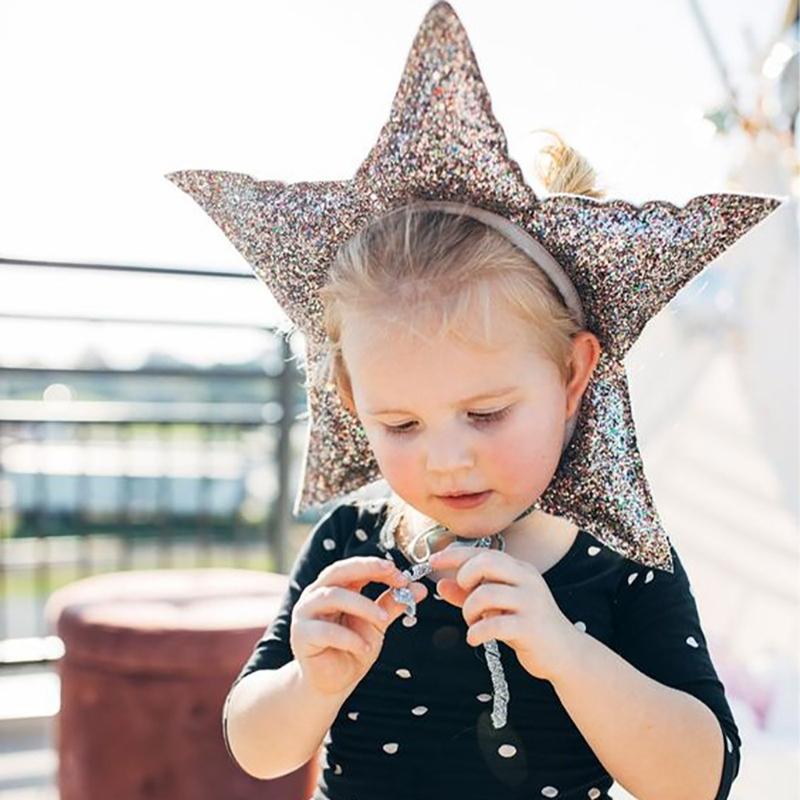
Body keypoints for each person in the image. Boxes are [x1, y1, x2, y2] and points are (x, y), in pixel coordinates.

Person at [164, 4, 784, 798]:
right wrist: (310, 683)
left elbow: (700, 778)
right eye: (400, 423)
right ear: (353, 400)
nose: (448, 457)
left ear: (571, 376)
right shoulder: (353, 542)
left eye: (487, 414)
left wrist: (566, 652)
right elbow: (256, 746)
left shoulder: (620, 560)